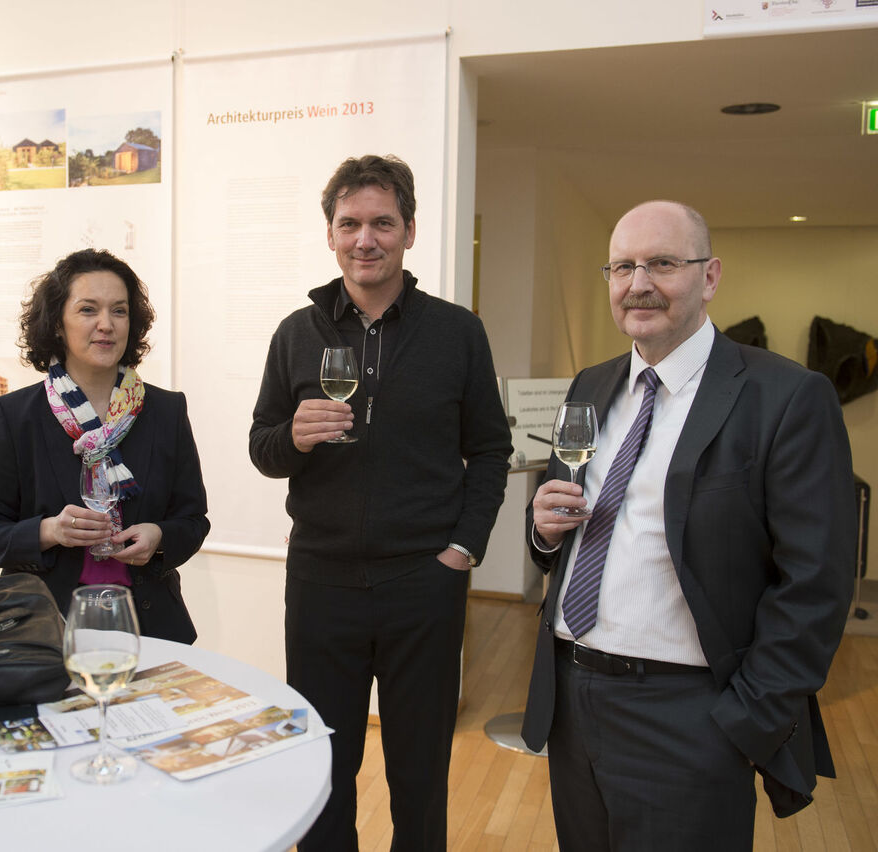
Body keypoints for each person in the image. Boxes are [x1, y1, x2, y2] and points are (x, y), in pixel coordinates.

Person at [522, 200, 855, 850]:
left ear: (709, 277)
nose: (638, 283)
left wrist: (741, 720)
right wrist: (542, 530)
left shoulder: (785, 397)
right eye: (622, 267)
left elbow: (816, 584)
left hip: (688, 715)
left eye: (662, 263)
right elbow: (558, 529)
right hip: (572, 698)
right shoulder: (591, 386)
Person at [249, 154, 512, 851]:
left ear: (410, 231)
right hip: (320, 582)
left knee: (421, 771)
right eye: (350, 224)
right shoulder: (295, 332)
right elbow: (262, 447)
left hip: (422, 582)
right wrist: (293, 438)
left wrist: (463, 549)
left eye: (382, 223)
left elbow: (490, 450)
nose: (366, 239)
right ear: (331, 234)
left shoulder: (458, 332)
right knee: (323, 768)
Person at [0, 248, 208, 642]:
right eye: (88, 310)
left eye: (119, 311)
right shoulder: (14, 415)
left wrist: (159, 538)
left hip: (150, 627)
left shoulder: (165, 409)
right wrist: (49, 531)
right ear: (57, 324)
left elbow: (194, 520)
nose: (106, 325)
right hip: (44, 628)